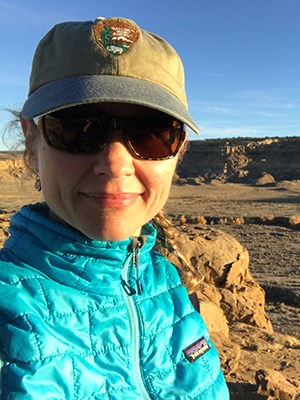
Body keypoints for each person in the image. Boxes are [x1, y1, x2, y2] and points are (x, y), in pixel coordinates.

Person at [0, 16, 229, 399]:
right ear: (31, 144)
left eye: (153, 134)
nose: (115, 163)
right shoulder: (9, 314)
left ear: (180, 150)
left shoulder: (167, 282)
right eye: (78, 127)